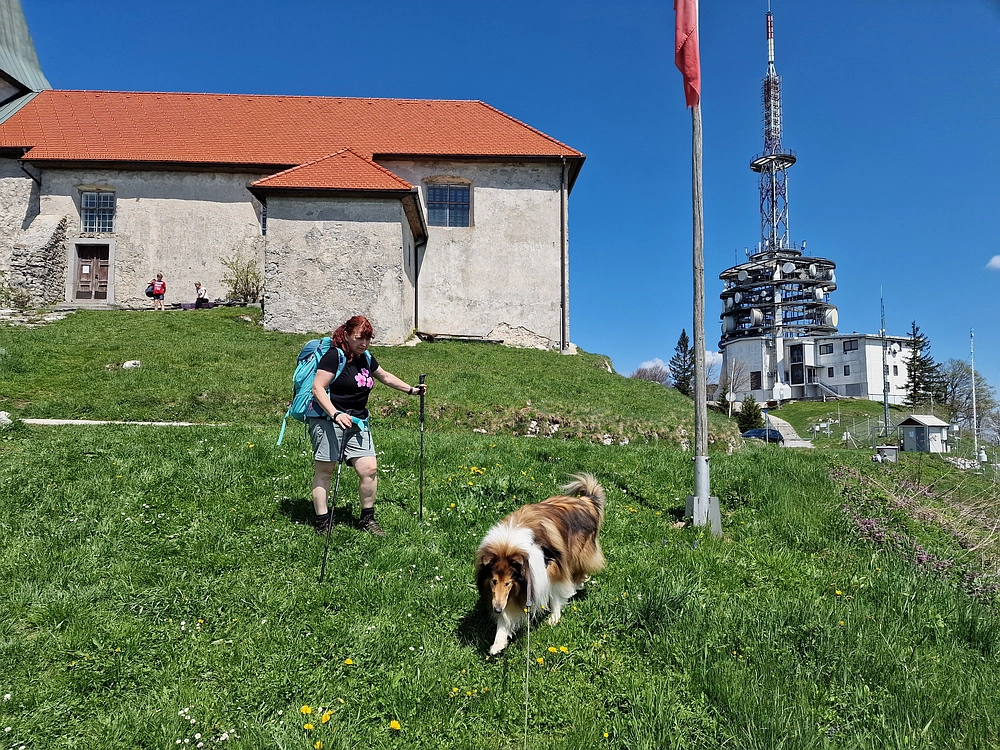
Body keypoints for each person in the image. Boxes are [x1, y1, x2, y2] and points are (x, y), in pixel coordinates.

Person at [307, 315, 426, 536]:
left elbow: (385, 376)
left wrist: (411, 390)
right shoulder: (334, 356)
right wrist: (335, 414)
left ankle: (367, 519)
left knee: (369, 469)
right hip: (327, 421)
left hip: (357, 422)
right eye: (360, 338)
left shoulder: (366, 357)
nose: (364, 343)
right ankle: (323, 522)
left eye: (368, 339)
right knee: (325, 471)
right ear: (346, 335)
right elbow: (318, 388)